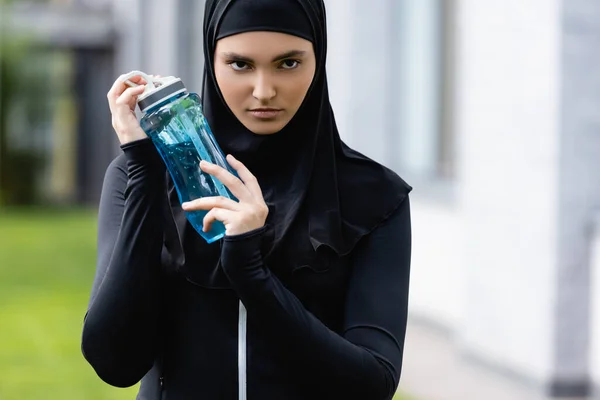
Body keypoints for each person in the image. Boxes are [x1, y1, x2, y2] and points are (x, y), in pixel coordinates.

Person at [81, 0, 413, 399]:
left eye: (288, 63)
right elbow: (115, 362)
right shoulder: (141, 176)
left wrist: (252, 275)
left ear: (318, 58)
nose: (264, 90)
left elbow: (372, 385)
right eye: (240, 64)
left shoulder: (374, 197)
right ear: (211, 57)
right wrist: (146, 171)